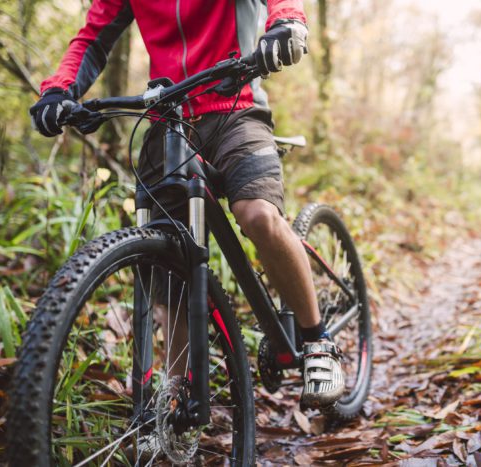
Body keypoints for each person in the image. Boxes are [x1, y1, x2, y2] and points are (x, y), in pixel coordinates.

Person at [29, 0, 344, 408]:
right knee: (169, 257)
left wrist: (287, 23)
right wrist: (59, 89)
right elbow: (93, 38)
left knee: (258, 214)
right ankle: (174, 389)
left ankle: (318, 341)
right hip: (166, 121)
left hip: (236, 109)